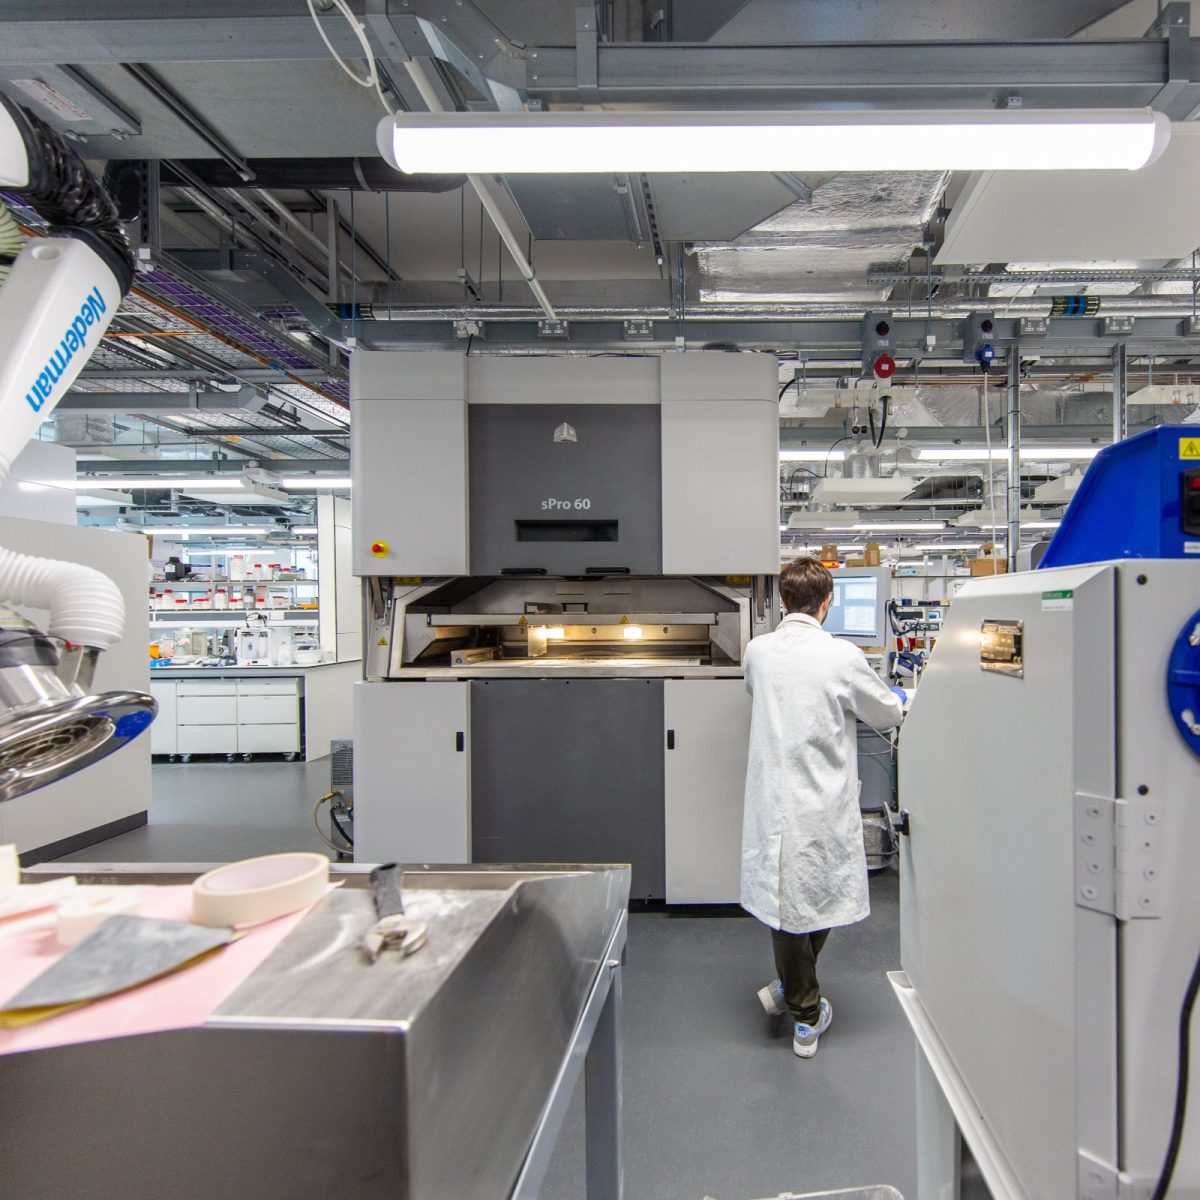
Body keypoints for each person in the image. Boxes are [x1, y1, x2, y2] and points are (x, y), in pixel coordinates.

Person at [740, 557, 905, 1058]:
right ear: (827, 602)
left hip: (775, 794)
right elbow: (887, 711)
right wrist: (897, 694)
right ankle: (806, 1016)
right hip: (818, 796)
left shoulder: (758, 650)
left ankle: (791, 988)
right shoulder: (841, 656)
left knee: (800, 892)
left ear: (783, 601)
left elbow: (757, 690)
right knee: (805, 896)